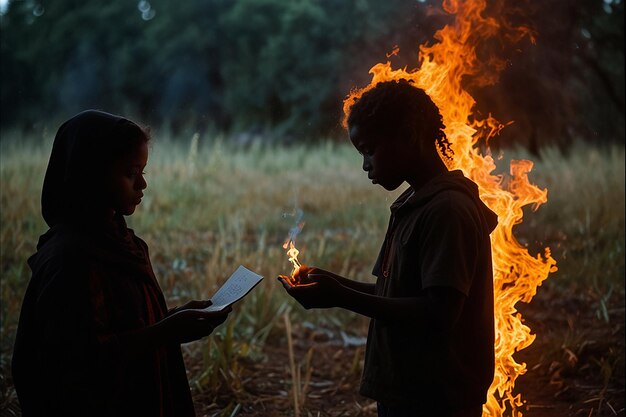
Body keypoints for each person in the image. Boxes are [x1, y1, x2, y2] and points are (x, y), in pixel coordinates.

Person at [279, 80, 498, 417]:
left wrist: (341, 296)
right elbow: (395, 292)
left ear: (409, 135)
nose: (366, 165)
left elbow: (439, 312)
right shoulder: (413, 204)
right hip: (409, 390)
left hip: (437, 399)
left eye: (370, 149)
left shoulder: (447, 210)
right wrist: (332, 283)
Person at [12, 110, 230, 417]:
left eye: (143, 172)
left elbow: (123, 327)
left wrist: (173, 319)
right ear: (90, 175)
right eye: (130, 173)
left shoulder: (127, 244)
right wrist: (164, 332)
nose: (142, 185)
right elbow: (79, 362)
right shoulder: (68, 261)